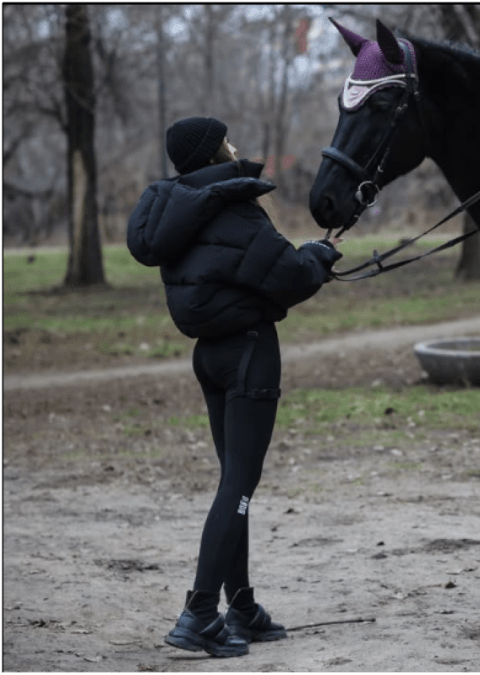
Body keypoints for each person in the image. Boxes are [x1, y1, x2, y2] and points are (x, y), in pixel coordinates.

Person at [127, 117, 342, 657]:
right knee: (239, 487)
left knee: (233, 483)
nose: (236, 145)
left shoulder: (175, 212)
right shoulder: (234, 210)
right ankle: (200, 612)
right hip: (248, 353)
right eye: (226, 140)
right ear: (211, 153)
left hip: (210, 355)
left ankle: (240, 606)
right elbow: (289, 276)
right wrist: (317, 256)